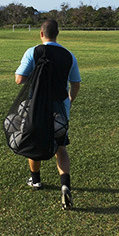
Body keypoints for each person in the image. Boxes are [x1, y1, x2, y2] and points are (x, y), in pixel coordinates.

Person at [14, 19, 81, 210]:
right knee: (61, 148)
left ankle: (35, 180)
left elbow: (19, 80)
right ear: (57, 34)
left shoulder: (33, 51)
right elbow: (76, 83)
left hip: (35, 108)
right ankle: (65, 185)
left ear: (41, 34)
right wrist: (69, 101)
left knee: (33, 141)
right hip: (60, 108)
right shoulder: (69, 55)